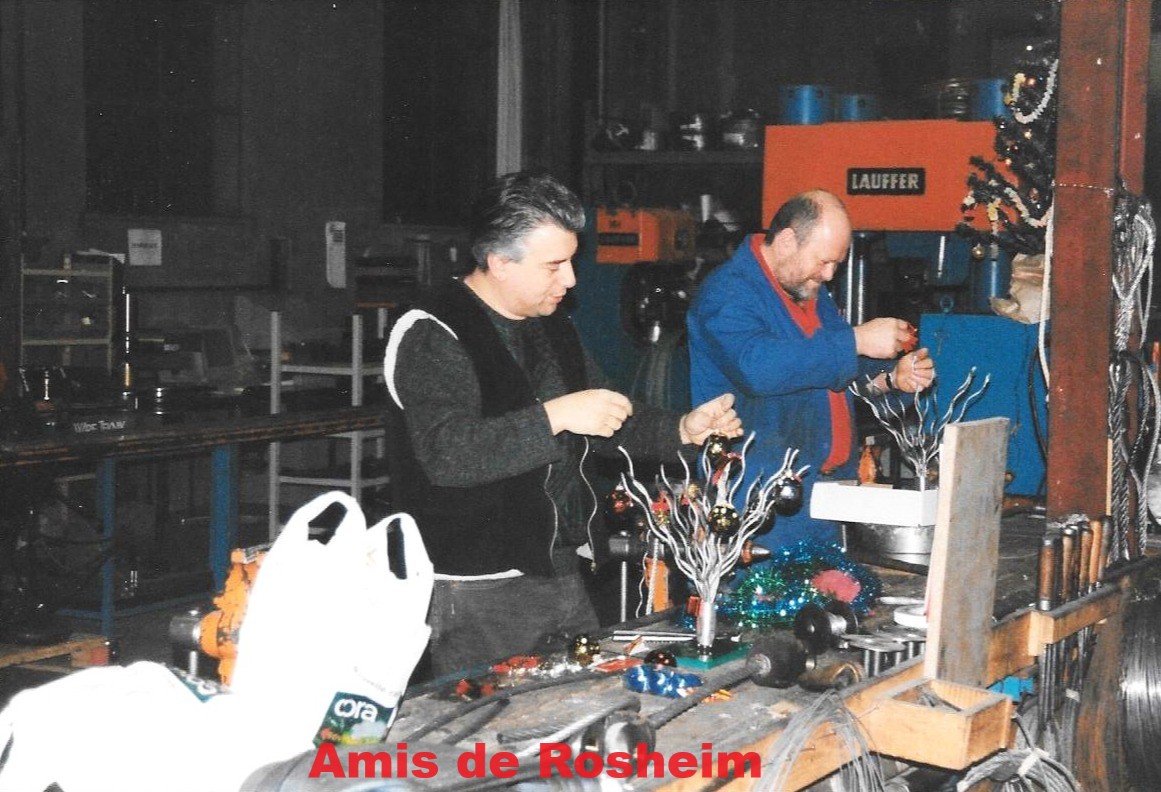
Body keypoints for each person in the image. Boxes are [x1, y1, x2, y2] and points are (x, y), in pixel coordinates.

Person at [384, 171, 743, 676]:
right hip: (475, 587)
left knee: (576, 708)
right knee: (493, 723)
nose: (571, 279)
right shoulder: (432, 332)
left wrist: (682, 428)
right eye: (554, 265)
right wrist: (556, 415)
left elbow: (609, 416)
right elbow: (448, 454)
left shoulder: (551, 325)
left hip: (560, 570)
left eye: (571, 261)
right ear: (500, 262)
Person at [686, 189, 935, 551]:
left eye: (837, 263)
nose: (829, 274)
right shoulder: (727, 294)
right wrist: (855, 340)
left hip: (825, 494)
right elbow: (758, 368)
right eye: (823, 261)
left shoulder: (807, 289)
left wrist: (890, 378)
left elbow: (832, 371)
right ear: (787, 241)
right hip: (760, 497)